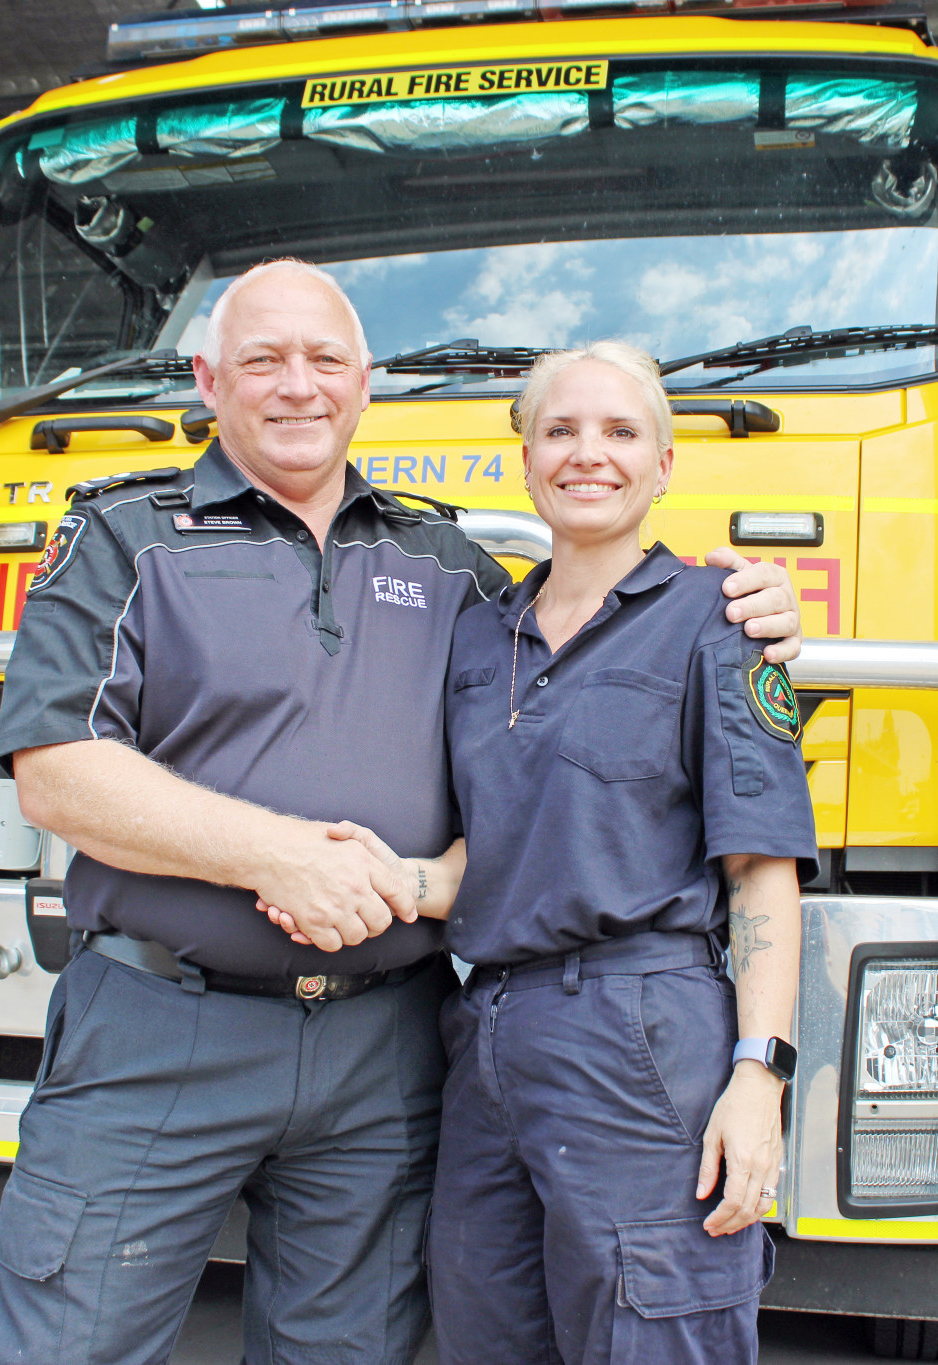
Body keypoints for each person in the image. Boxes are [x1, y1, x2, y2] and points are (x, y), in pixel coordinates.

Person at [0, 262, 804, 1365]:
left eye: (324, 361)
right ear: (208, 381)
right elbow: (55, 774)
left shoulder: (447, 563)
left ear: (365, 384)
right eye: (262, 361)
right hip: (164, 1027)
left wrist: (760, 612)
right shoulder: (129, 539)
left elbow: (583, 785)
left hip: (388, 1048)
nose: (296, 387)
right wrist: (273, 858)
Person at [277, 341, 814, 1363]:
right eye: (559, 430)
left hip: (644, 1033)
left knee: (654, 1331)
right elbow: (492, 855)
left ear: (662, 465)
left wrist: (757, 1078)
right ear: (523, 458)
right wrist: (361, 874)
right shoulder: (481, 638)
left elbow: (759, 873)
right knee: (484, 1325)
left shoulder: (718, 620)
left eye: (619, 432)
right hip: (486, 1034)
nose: (587, 454)